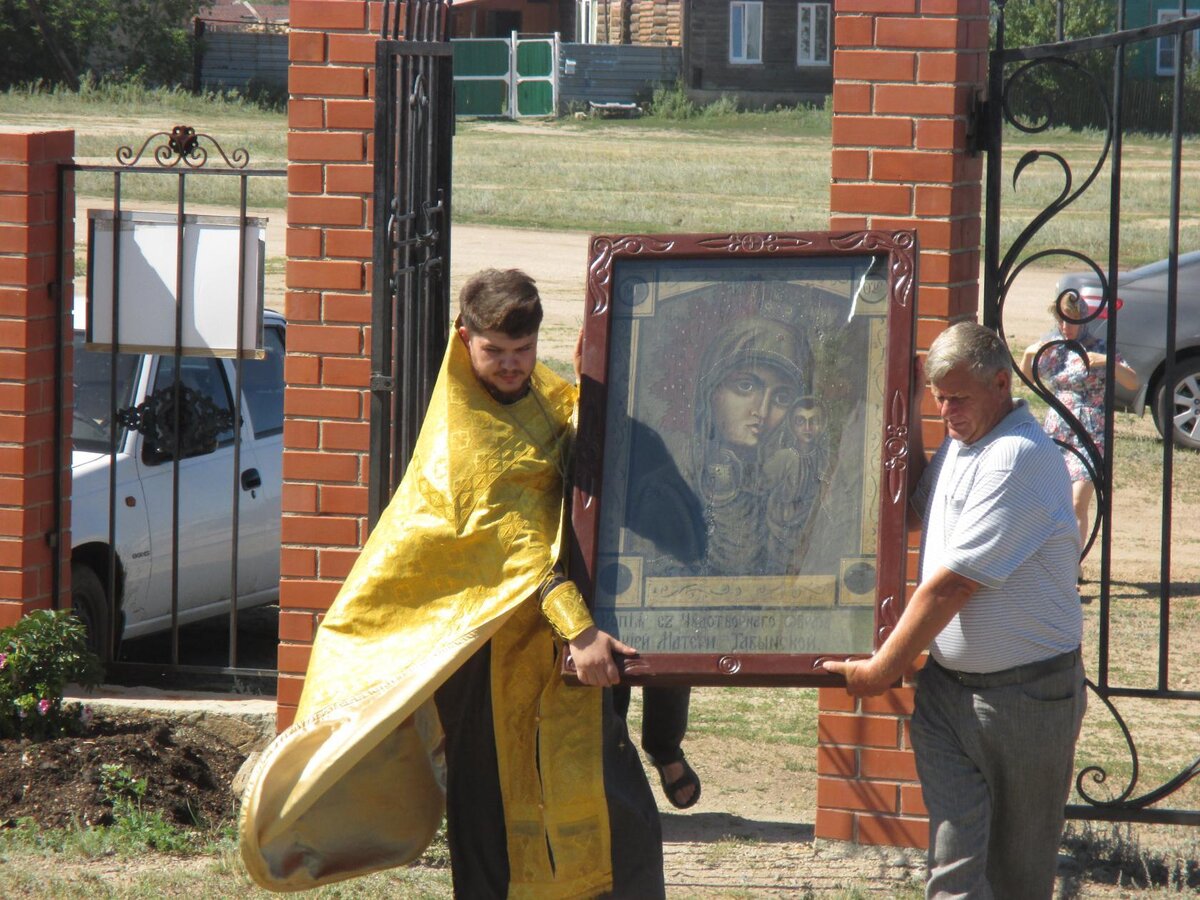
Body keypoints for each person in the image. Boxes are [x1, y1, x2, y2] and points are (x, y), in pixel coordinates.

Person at [239, 269, 665, 897]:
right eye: (496, 352)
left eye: (525, 351)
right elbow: (515, 545)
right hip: (485, 654)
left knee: (611, 803)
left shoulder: (536, 391)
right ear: (464, 338)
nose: (513, 365)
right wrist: (580, 632)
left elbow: (568, 441)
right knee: (492, 810)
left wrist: (589, 382)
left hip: (552, 651)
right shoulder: (461, 439)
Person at [824, 321, 1086, 899]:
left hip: (1027, 699)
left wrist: (880, 670)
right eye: (938, 398)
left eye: (958, 398)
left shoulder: (1016, 455)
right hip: (948, 695)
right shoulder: (961, 440)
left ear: (1000, 383)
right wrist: (886, 413)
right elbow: (913, 512)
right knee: (954, 868)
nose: (947, 411)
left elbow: (951, 587)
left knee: (1018, 874)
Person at [1019, 292, 1139, 559]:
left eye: (1072, 321)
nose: (1065, 327)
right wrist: (1029, 354)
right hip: (1056, 431)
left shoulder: (1099, 346)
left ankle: (1073, 564)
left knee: (1077, 502)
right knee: (1051, 501)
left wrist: (1106, 361)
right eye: (1061, 321)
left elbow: (1133, 382)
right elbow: (1026, 379)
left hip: (1090, 431)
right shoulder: (1053, 348)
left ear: (1084, 319)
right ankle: (1053, 560)